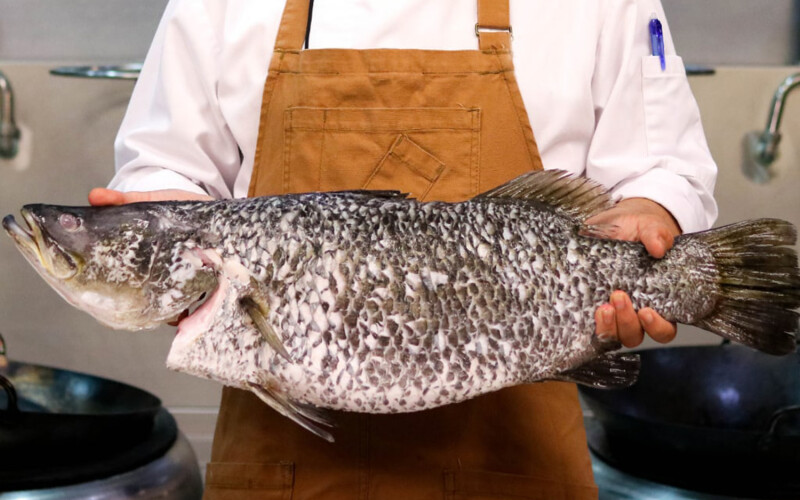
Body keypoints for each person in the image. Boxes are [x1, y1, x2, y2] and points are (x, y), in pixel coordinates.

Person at [89, 0, 717, 498]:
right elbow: (167, 163)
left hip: (517, 456)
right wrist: (154, 239)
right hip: (282, 463)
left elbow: (662, 165)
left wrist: (654, 209)